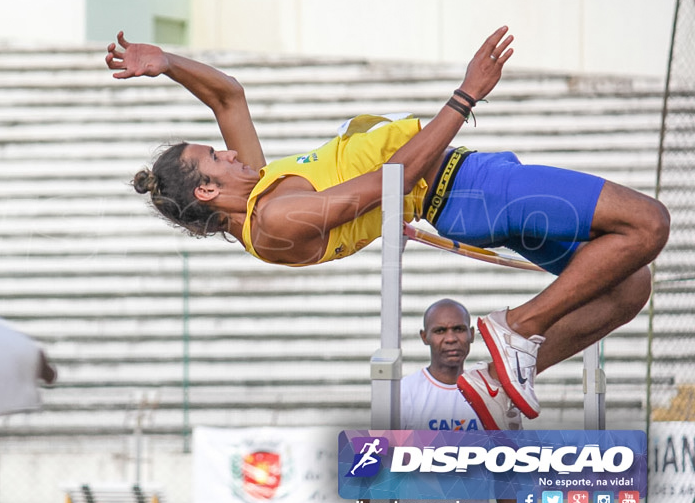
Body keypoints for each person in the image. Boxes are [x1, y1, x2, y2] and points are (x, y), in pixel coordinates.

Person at [106, 27, 670, 429]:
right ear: (206, 190)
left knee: (631, 285)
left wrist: (167, 63)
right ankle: (516, 328)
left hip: (467, 190)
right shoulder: (275, 218)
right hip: (463, 189)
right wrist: (466, 94)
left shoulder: (258, 187)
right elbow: (390, 182)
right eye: (215, 157)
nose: (231, 153)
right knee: (648, 223)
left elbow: (228, 94)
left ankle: (502, 377)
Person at [356, 299, 532, 503]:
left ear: (472, 335)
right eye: (440, 331)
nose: (451, 338)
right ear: (424, 337)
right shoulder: (402, 394)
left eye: (459, 329)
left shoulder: (494, 396)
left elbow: (507, 484)